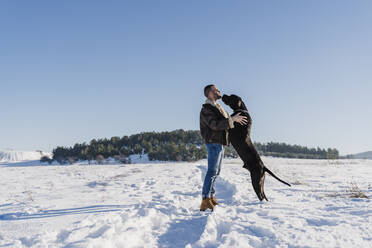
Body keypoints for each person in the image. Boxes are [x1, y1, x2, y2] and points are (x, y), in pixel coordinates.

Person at [199, 84, 248, 211]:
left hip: (219, 143)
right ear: (210, 93)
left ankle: (211, 196)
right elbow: (214, 125)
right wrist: (232, 119)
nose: (219, 91)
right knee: (211, 171)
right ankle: (205, 199)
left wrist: (234, 120)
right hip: (213, 142)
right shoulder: (207, 109)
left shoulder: (218, 107)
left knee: (216, 172)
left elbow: (225, 123)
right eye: (216, 90)